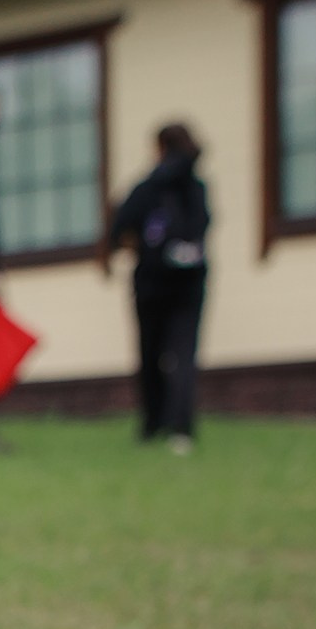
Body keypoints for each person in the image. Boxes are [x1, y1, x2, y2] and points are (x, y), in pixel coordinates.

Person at [107, 122, 211, 454]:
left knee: (151, 353)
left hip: (151, 282)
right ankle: (181, 426)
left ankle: (153, 423)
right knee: (183, 353)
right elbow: (204, 225)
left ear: (161, 147)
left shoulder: (148, 187)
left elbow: (119, 225)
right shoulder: (196, 187)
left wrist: (131, 247)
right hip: (189, 282)